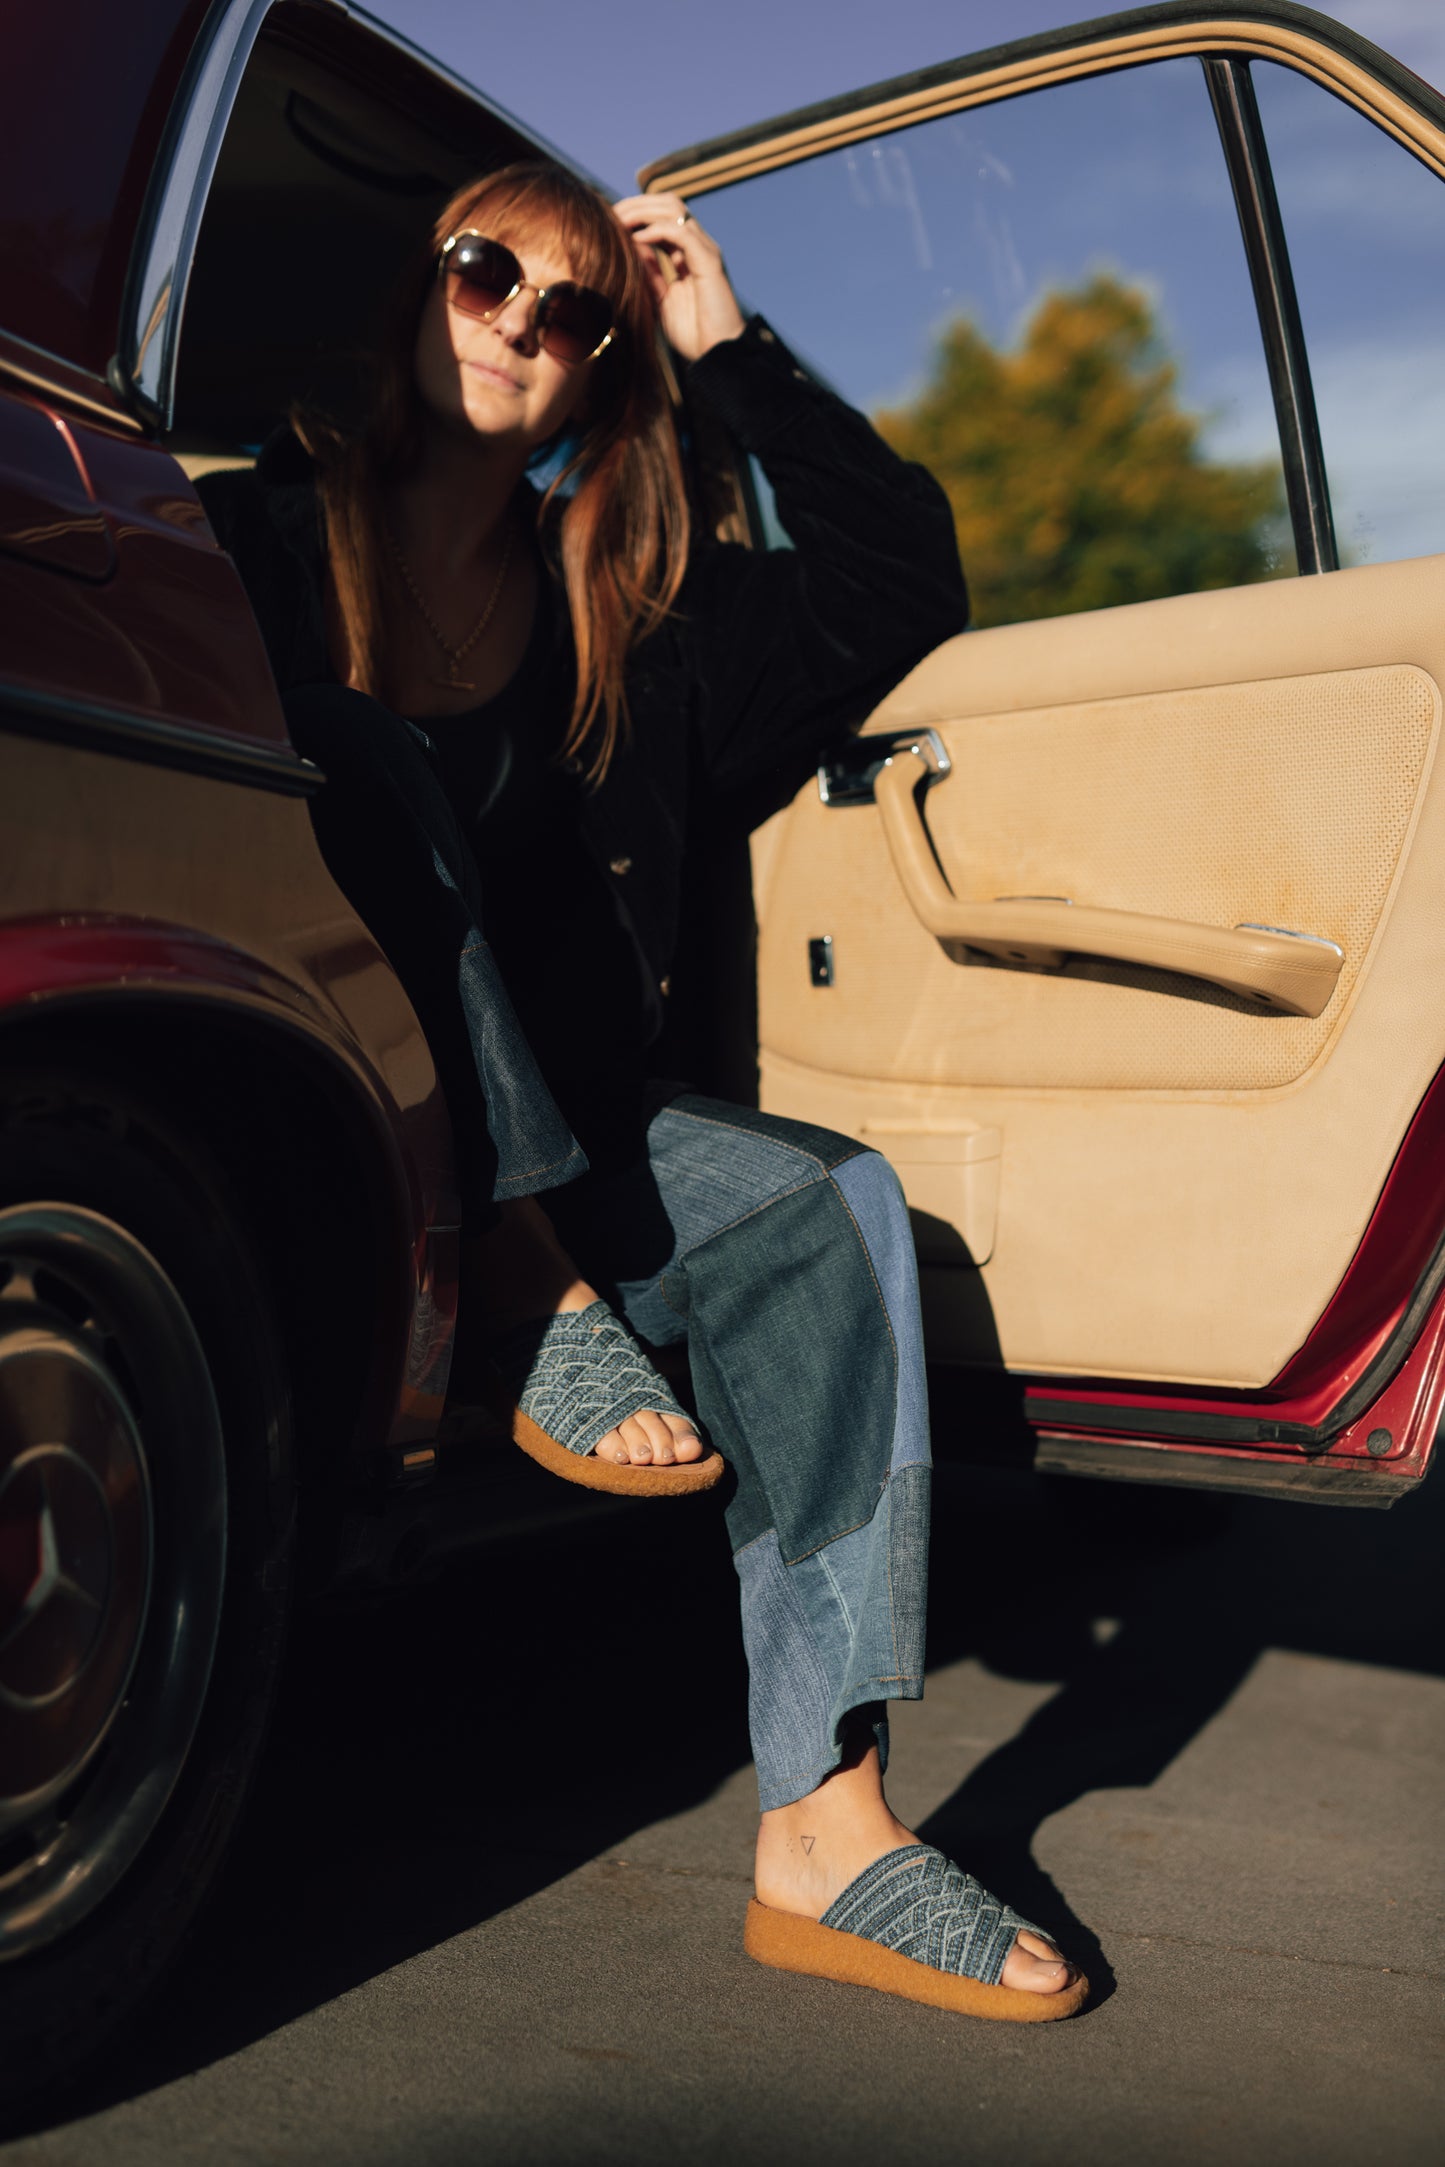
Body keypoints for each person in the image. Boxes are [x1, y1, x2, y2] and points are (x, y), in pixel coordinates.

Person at [198, 160, 1086, 2021]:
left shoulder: (639, 623)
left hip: (584, 1144)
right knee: (353, 750)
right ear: (416, 293)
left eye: (572, 308)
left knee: (824, 1202)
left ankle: (824, 1828)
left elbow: (899, 570)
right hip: (340, 1120)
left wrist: (728, 338)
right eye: (480, 270)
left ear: (602, 364)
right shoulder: (258, 545)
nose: (519, 317)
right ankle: (522, 1282)